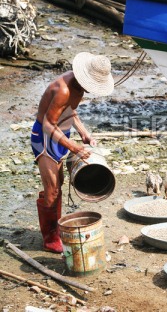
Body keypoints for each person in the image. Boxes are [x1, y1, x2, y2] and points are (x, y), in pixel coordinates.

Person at [31, 52, 114, 253]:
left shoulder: (78, 86)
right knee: (52, 189)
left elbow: (70, 112)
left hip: (62, 135)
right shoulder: (63, 90)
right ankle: (50, 238)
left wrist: (84, 134)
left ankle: (54, 228)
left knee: (57, 185)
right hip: (46, 138)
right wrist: (73, 147)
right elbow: (49, 125)